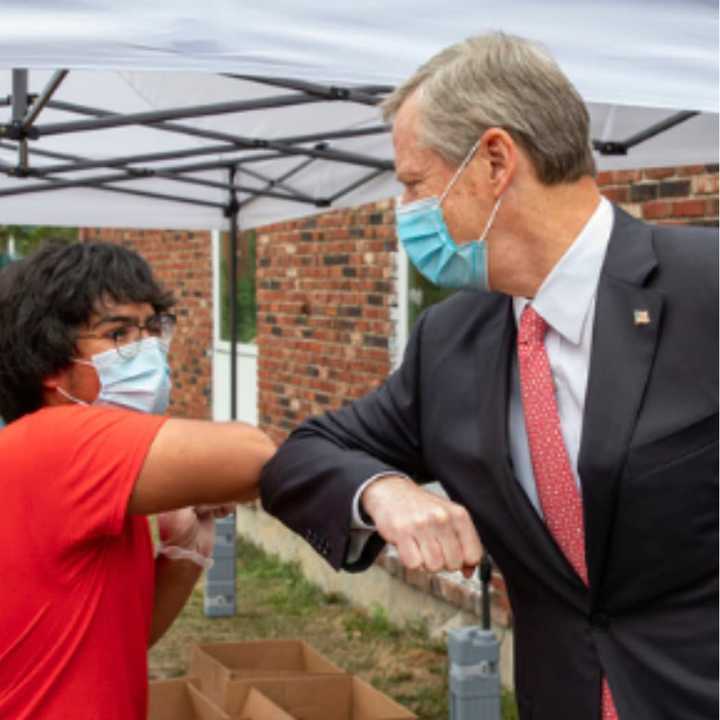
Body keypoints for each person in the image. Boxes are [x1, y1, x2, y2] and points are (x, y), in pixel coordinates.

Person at [260, 33, 719, 720]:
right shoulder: (451, 340)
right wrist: (381, 490)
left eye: (414, 183)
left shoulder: (704, 285)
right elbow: (299, 456)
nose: (404, 211)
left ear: (496, 160)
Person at [0, 242, 276, 720]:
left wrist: (185, 553)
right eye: (119, 333)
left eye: (152, 328)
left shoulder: (86, 473)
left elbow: (126, 637)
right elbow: (254, 456)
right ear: (50, 362)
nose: (147, 348)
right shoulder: (60, 441)